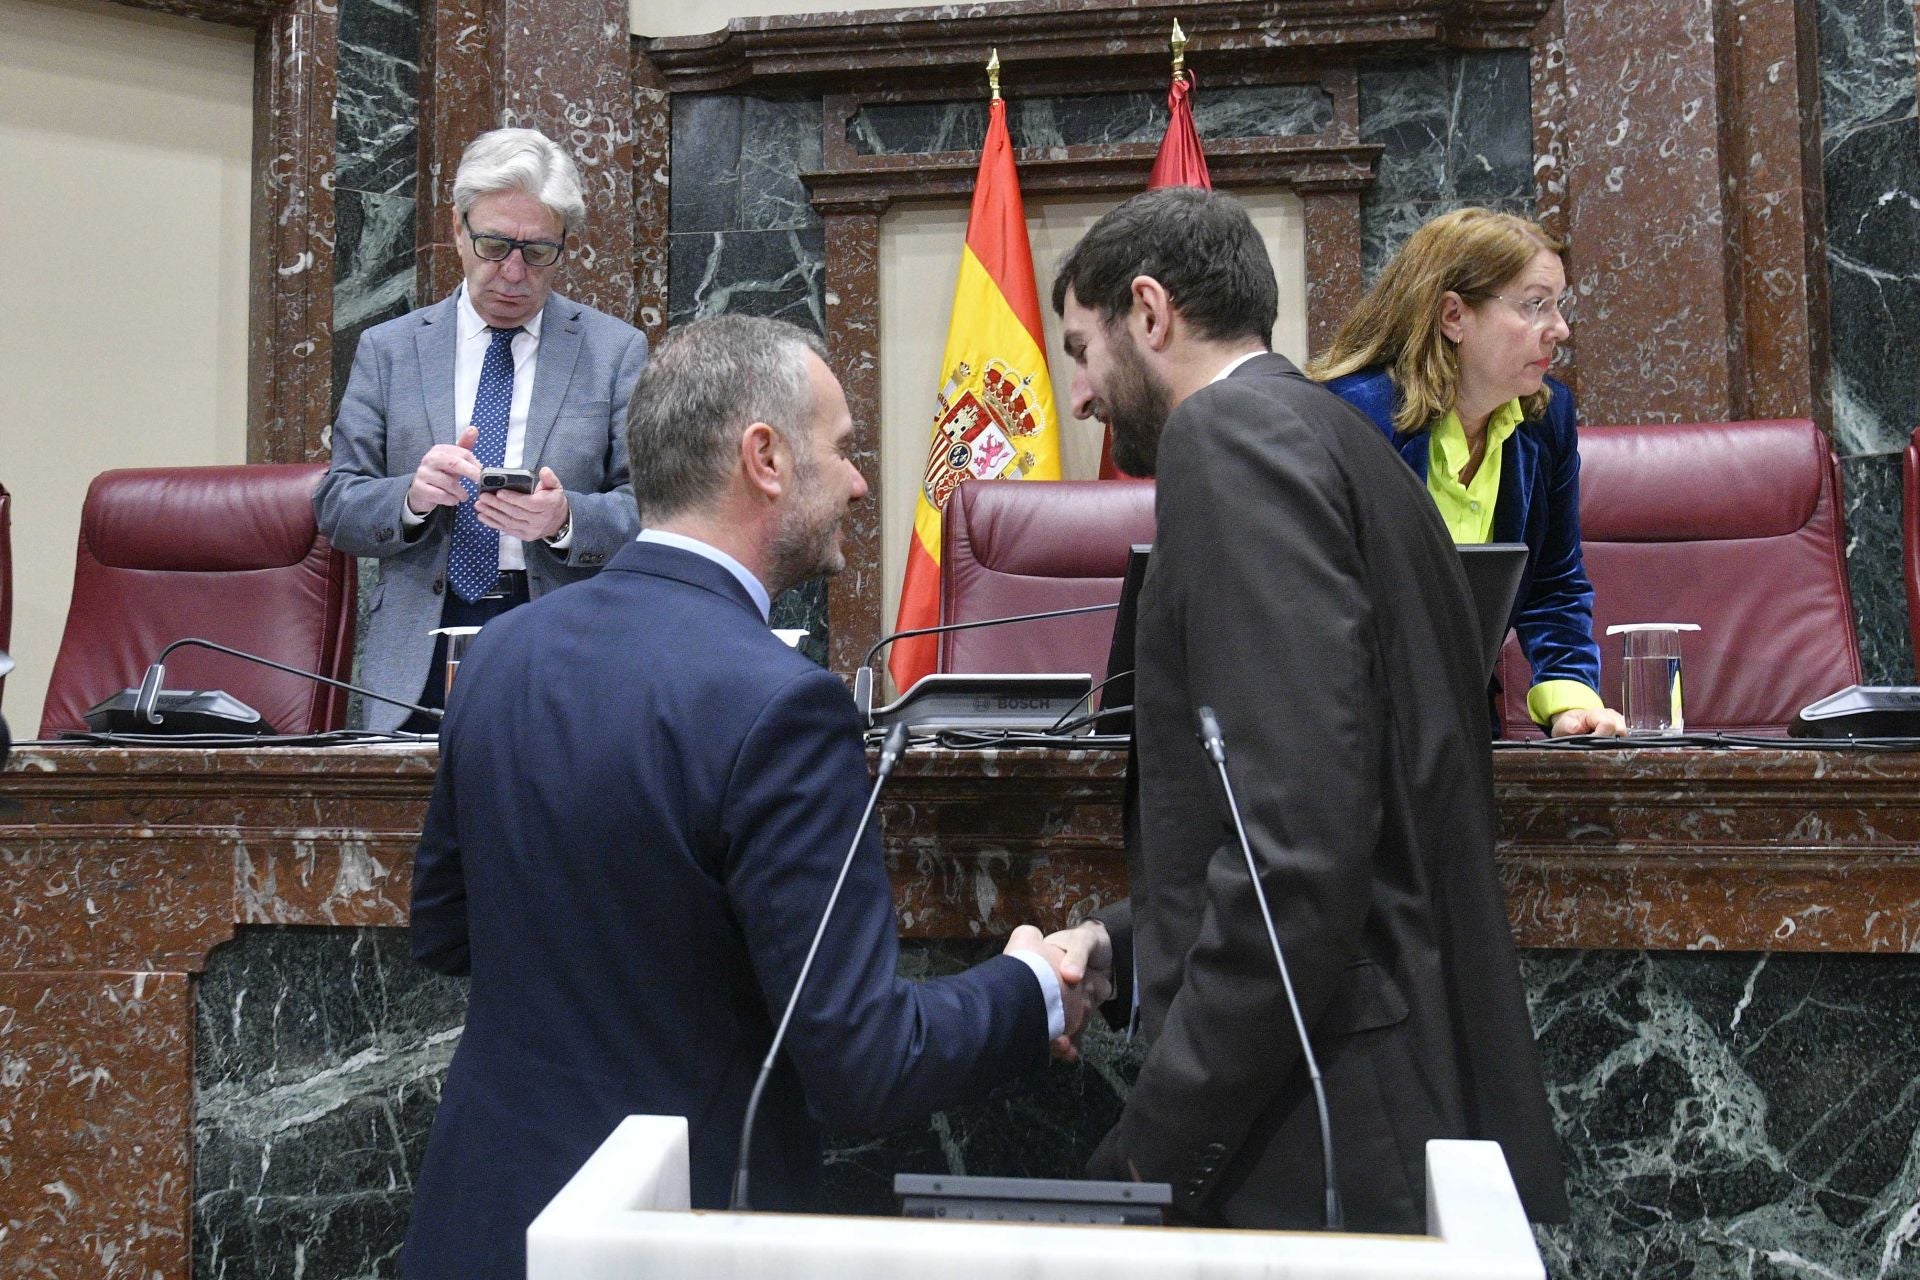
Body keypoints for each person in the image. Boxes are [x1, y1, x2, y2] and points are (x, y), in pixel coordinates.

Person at [400, 315, 1101, 1280]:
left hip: (479, 1224)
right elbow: (864, 1064)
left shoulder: (500, 658)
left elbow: (442, 933)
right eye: (843, 447)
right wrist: (1032, 992)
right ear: (764, 458)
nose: (860, 481)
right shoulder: (782, 707)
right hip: (666, 1237)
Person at [1042, 188, 1566, 1233]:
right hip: (1393, 1086)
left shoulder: (1228, 441)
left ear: (1150, 313)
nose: (1082, 396)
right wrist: (1120, 940)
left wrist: (1148, 1151)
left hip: (1323, 1121)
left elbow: (1298, 853)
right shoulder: (1332, 431)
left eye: (1083, 349)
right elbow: (1340, 805)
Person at [314, 127, 648, 732]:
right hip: (419, 644)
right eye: (494, 244)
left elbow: (655, 513)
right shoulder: (389, 350)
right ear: (457, 230)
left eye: (538, 250)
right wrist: (413, 499)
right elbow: (337, 505)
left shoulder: (615, 352)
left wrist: (564, 519)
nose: (514, 273)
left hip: (562, 635)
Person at [1309, 207, 1625, 737]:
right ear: (1453, 316)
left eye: (1558, 306)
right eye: (1535, 306)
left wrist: (1570, 699)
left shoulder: (1545, 420)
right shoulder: (1350, 419)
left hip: (1463, 724)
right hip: (1342, 730)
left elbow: (1554, 583)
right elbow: (1310, 602)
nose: (1560, 330)